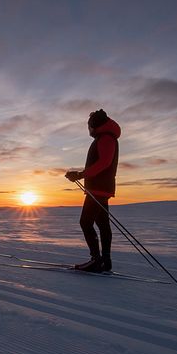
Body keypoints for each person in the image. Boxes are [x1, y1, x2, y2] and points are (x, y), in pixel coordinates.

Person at [65, 109, 121, 272]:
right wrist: (79, 174)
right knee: (102, 224)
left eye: (89, 126)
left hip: (98, 188)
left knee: (86, 222)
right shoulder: (106, 137)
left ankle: (96, 260)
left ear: (95, 125)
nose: (88, 130)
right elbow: (100, 163)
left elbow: (104, 163)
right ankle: (105, 261)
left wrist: (81, 174)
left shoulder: (105, 138)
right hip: (101, 188)